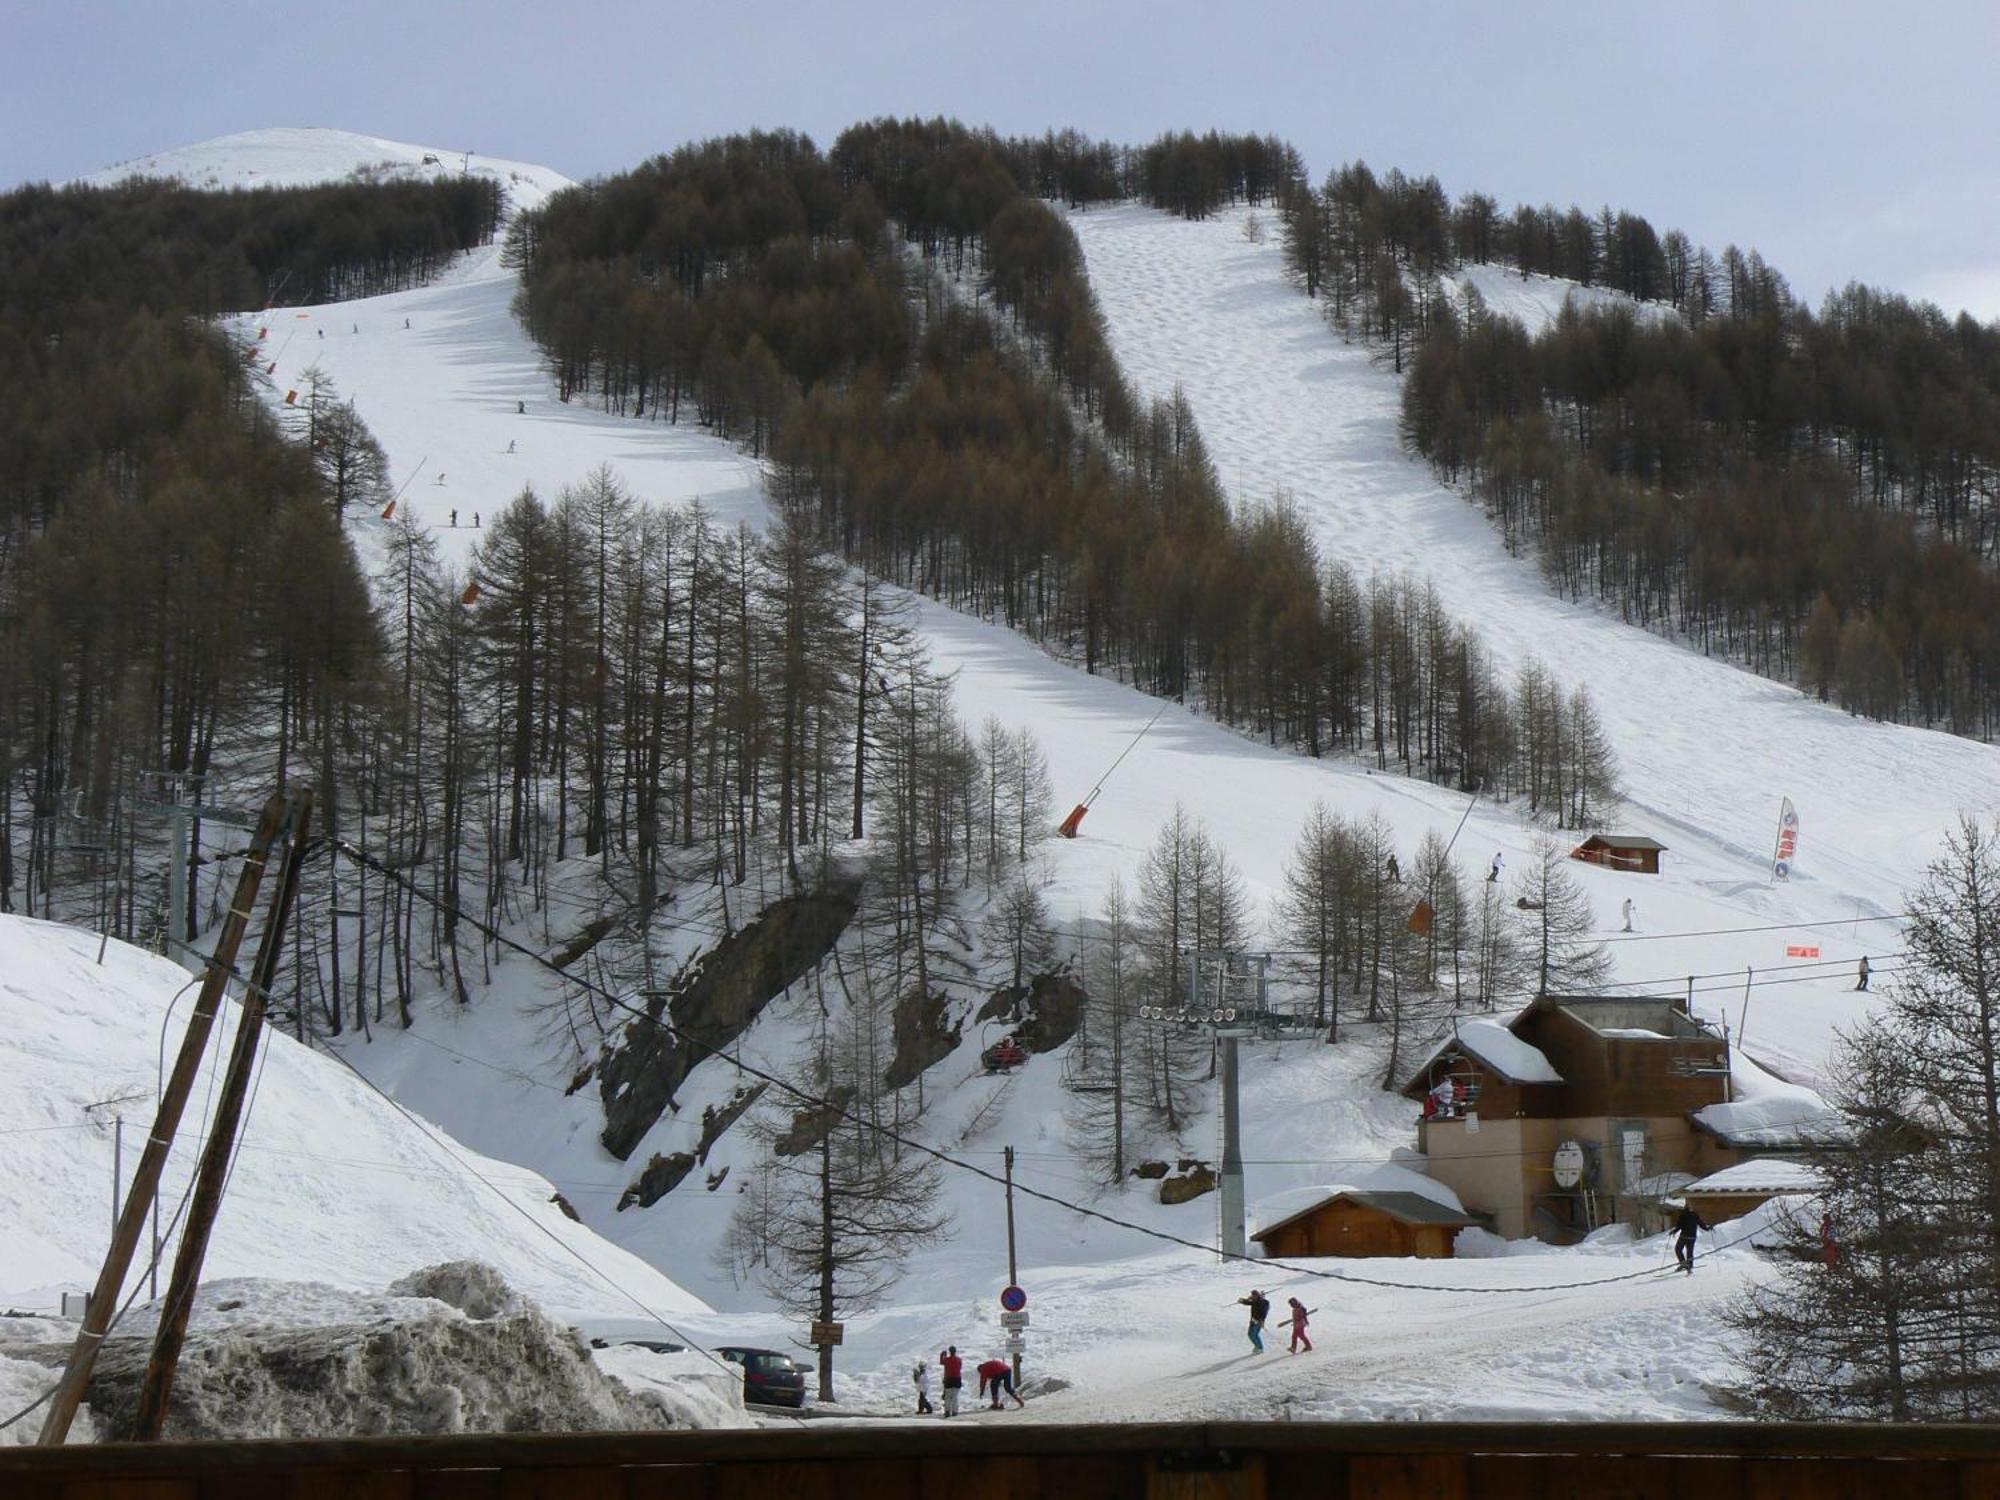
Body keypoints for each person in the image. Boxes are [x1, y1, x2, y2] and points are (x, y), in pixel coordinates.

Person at [1673, 1204, 1705, 1274]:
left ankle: (1683, 1264)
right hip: (1692, 1237)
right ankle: (1689, 1266)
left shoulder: (1682, 1215)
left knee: (1678, 1249)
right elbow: (1700, 1223)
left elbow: (1679, 1226)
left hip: (1684, 1236)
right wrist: (1707, 1228)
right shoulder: (1694, 1214)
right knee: (1689, 1252)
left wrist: (1673, 1231)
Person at [1237, 1289, 1270, 1353]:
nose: (1252, 1297)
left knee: (1251, 1334)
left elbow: (1264, 1312)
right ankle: (1258, 1346)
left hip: (1257, 1321)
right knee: (1255, 1334)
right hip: (1255, 1320)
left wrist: (1261, 1321)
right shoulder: (1257, 1301)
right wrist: (1242, 1300)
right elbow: (1249, 1302)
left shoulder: (1261, 1302)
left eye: (1253, 1295)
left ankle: (1259, 1347)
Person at [939, 1346, 962, 1417]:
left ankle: (947, 1411)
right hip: (957, 1379)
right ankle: (955, 1411)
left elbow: (941, 1362)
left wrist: (942, 1355)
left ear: (950, 1351)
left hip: (948, 1379)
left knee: (948, 1396)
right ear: (955, 1351)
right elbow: (960, 1366)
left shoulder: (946, 1359)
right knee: (955, 1396)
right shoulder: (959, 1359)